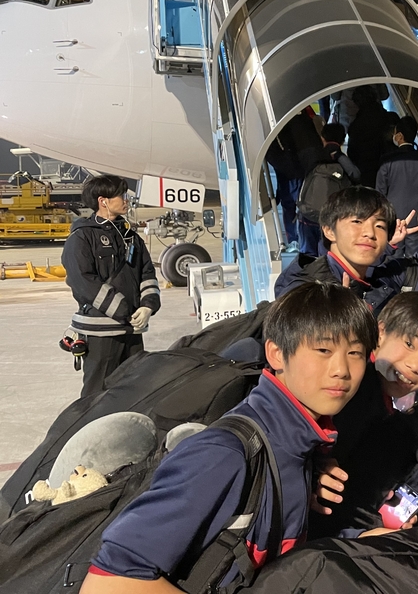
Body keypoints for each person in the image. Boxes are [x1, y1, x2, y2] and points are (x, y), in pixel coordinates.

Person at [79, 282, 378, 593]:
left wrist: (359, 543)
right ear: (276, 354)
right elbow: (110, 582)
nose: (341, 369)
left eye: (355, 353)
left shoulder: (298, 448)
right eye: (323, 350)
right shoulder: (225, 455)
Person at [311, 291, 418, 537]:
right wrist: (311, 471)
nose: (415, 366)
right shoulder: (346, 386)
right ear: (380, 333)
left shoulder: (389, 408)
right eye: (410, 344)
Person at [62, 175, 160, 397]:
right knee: (97, 395)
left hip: (131, 330)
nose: (126, 200)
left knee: (134, 391)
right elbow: (82, 280)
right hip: (101, 332)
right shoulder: (82, 237)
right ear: (103, 201)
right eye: (121, 195)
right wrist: (123, 310)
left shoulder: (131, 237)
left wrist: (148, 306)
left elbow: (147, 273)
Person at [274, 186, 418, 315]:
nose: (370, 233)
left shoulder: (368, 282)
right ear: (329, 230)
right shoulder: (308, 297)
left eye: (380, 226)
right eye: (357, 222)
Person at [375, 116, 418, 255]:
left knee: (393, 256)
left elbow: (379, 193)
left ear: (399, 136)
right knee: (414, 258)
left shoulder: (387, 160)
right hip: (417, 217)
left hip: (393, 217)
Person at [297, 122, 362, 256]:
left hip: (308, 214)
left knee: (307, 255)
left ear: (322, 138)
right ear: (343, 140)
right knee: (329, 256)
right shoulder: (342, 159)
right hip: (332, 218)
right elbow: (356, 175)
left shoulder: (310, 156)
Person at [265, 107, 324, 248]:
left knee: (292, 202)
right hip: (299, 162)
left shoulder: (275, 118)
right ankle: (300, 238)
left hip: (291, 164)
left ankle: (296, 239)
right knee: (300, 200)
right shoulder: (303, 111)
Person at [347, 86, 395, 187]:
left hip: (367, 170)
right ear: (375, 97)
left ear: (357, 103)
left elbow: (352, 152)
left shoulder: (356, 125)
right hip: (390, 166)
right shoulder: (391, 118)